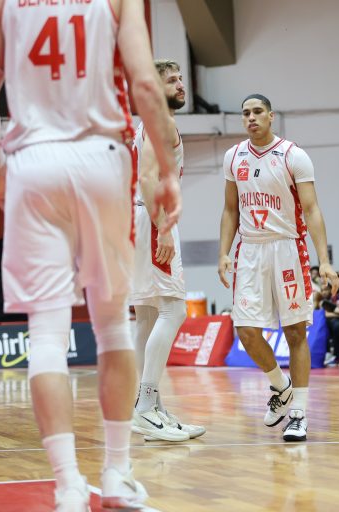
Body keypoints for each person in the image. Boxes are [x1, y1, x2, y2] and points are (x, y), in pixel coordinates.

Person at [0, 0, 181, 510]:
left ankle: (67, 485)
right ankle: (117, 474)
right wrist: (168, 169)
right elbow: (145, 85)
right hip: (100, 159)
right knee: (112, 327)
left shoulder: (3, 4)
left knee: (46, 334)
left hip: (32, 164)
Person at [218, 93, 339, 442]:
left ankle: (298, 413)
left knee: (295, 332)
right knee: (246, 331)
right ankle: (280, 386)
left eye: (257, 111)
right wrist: (223, 253)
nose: (251, 117)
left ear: (271, 116)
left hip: (287, 248)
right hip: (250, 250)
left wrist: (324, 260)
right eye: (245, 113)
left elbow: (312, 209)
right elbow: (230, 209)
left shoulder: (293, 155)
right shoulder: (233, 156)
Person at [128, 59, 204, 443]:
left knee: (146, 316)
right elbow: (147, 177)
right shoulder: (160, 121)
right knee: (174, 310)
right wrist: (163, 228)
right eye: (171, 80)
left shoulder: (147, 122)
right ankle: (144, 407)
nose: (180, 84)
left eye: (180, 78)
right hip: (151, 217)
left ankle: (152, 409)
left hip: (135, 218)